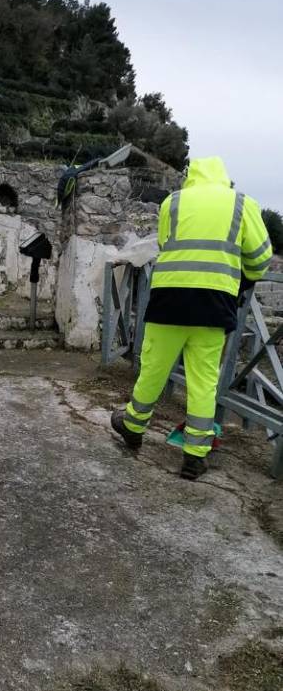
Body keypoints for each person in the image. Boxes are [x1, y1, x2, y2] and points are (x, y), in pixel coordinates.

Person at [111, 156, 273, 481]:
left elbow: (164, 244)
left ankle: (133, 426)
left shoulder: (173, 202)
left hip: (169, 299)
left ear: (191, 177)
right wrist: (243, 278)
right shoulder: (242, 203)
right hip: (215, 304)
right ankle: (195, 457)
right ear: (223, 177)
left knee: (154, 369)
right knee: (203, 380)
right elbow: (260, 258)